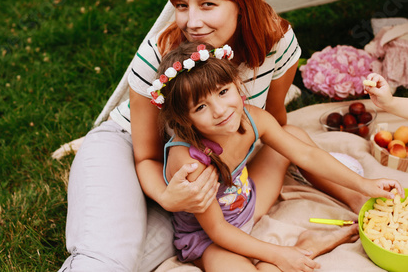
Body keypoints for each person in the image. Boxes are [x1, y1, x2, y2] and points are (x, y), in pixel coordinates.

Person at [59, 0, 363, 272]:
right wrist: (166, 197)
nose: (192, 21)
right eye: (181, 5)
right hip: (132, 151)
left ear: (241, 3)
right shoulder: (160, 50)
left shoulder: (276, 43)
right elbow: (146, 155)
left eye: (207, 5)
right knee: (107, 257)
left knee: (142, 257)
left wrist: (356, 192)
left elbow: (276, 125)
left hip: (198, 186)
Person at [155, 41, 404, 272]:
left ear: (236, 83)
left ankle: (355, 199)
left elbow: (306, 154)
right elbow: (218, 230)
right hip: (209, 237)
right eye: (201, 107)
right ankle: (308, 246)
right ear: (184, 119)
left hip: (248, 201)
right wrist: (280, 254)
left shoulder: (252, 118)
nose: (220, 111)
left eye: (222, 92)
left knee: (292, 134)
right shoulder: (190, 162)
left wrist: (364, 184)